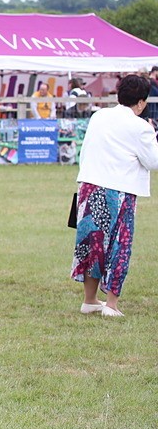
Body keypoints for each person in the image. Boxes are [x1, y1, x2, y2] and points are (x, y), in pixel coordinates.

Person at [71, 74, 158, 317]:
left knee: (92, 243)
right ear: (141, 103)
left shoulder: (98, 116)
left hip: (90, 184)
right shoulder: (141, 126)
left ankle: (89, 299)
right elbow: (153, 161)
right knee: (119, 245)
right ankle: (111, 304)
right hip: (119, 190)